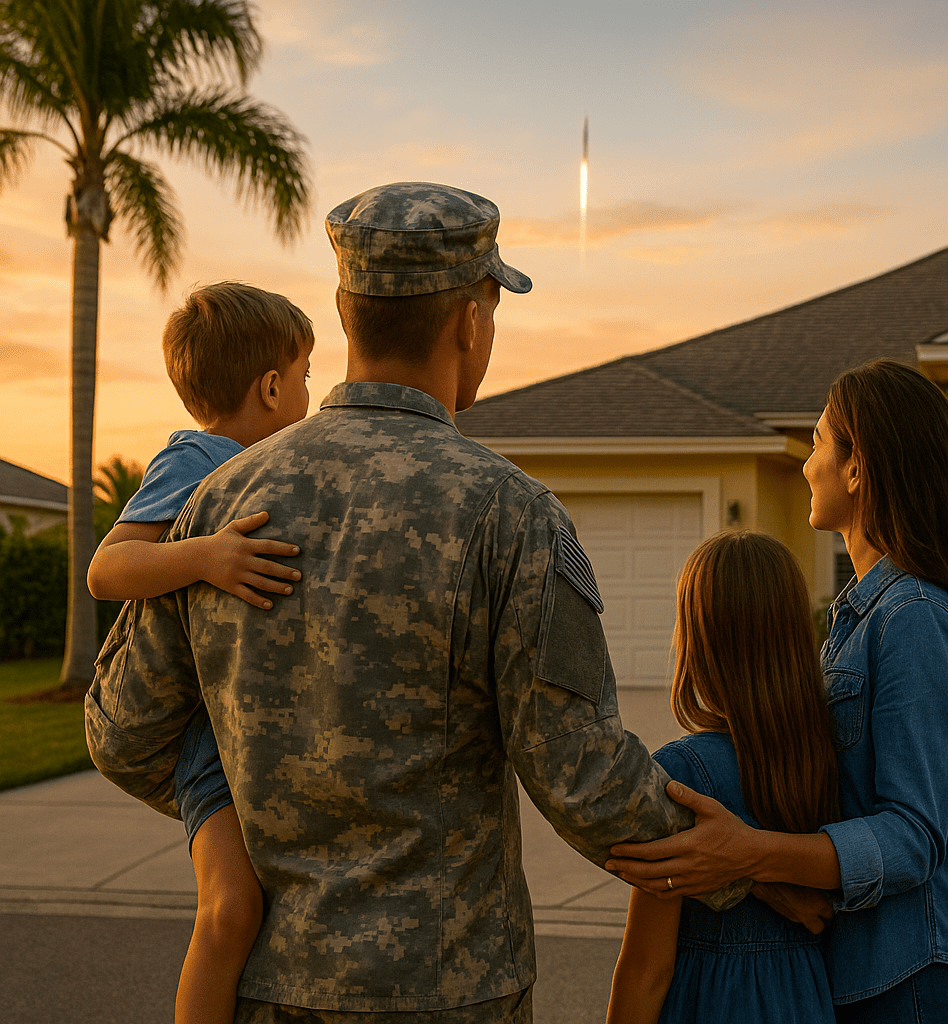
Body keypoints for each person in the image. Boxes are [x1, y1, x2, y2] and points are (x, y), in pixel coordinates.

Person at [86, 181, 743, 1024]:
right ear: (471, 320)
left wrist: (244, 796)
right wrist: (751, 871)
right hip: (451, 989)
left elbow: (121, 729)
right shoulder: (510, 514)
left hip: (269, 988)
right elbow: (582, 776)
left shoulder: (213, 505)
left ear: (346, 312)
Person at [607, 358, 948, 1023]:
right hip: (871, 971)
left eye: (816, 442)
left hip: (920, 972)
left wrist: (750, 854)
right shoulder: (858, 618)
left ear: (857, 468)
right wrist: (758, 874)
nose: (807, 465)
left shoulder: (915, 618)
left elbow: (913, 835)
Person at [88, 282, 314, 1024]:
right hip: (206, 743)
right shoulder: (196, 459)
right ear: (273, 386)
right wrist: (206, 556)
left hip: (255, 727)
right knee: (230, 908)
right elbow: (108, 569)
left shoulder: (281, 468)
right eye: (307, 375)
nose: (311, 390)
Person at [606, 531, 838, 1024]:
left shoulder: (681, 777)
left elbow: (648, 968)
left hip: (711, 1001)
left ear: (697, 640)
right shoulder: (829, 765)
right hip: (805, 1001)